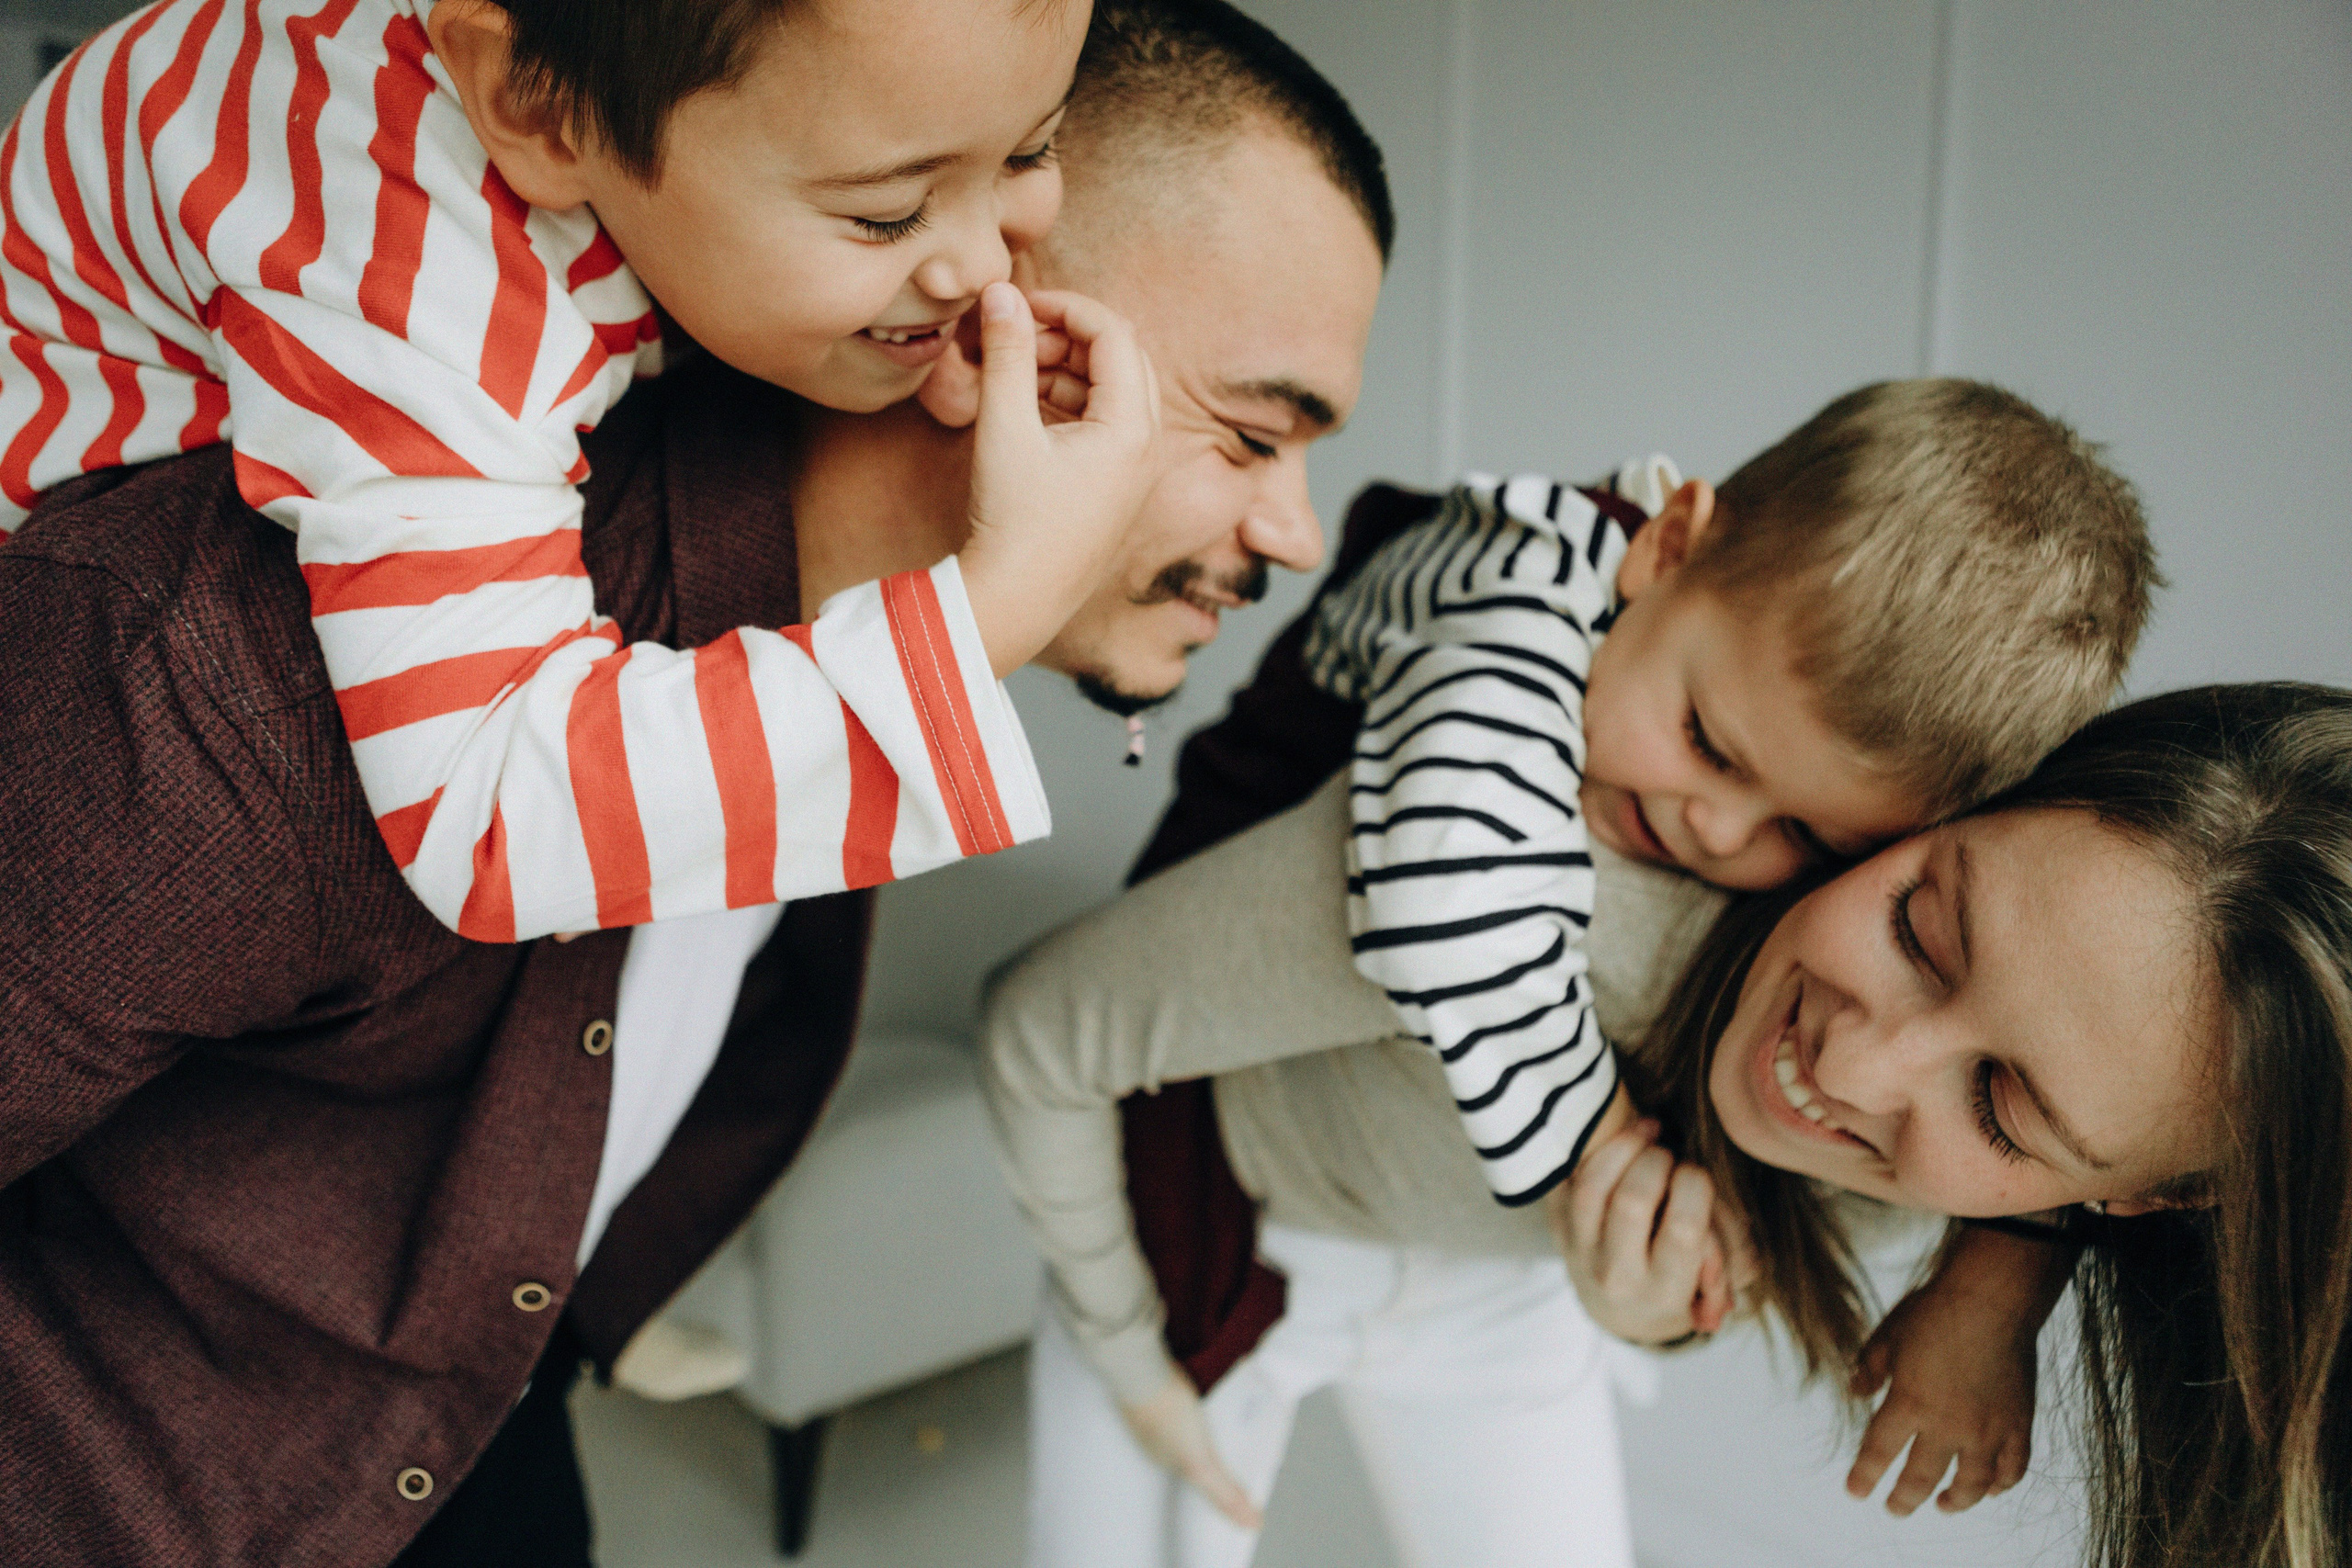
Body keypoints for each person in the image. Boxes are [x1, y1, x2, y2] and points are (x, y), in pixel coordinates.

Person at [0, 0, 1392, 1560]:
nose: (1300, 535)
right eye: (1256, 433)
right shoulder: (247, 668)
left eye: (1021, 162)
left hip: (477, 1436)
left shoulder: (817, 648)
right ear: (983, 332)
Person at [985, 377, 2157, 1567]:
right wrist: (1596, 1139)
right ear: (1666, 543)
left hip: (1500, 1290)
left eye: (1806, 837)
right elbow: (1447, 906)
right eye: (1707, 739)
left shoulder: (1845, 963)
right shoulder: (1510, 642)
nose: (1711, 827)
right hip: (1226, 1182)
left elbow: (2090, 1055)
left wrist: (2002, 1274)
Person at [985, 676, 2352, 1568]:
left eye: (2000, 1105)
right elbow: (1041, 1020)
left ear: (2138, 1200)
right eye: (1921, 925)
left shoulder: (2011, 1194)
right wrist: (1123, 1338)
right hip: (1212, 1240)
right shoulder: (1485, 890)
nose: (1856, 1067)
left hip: (1502, 1294)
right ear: (1961, 797)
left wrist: (1994, 1272)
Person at [0, 0, 1160, 943]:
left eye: (1028, 149)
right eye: (885, 212)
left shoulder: (624, 85)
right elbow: (487, 814)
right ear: (536, 110)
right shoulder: (407, 278)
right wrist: (995, 606)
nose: (976, 263)